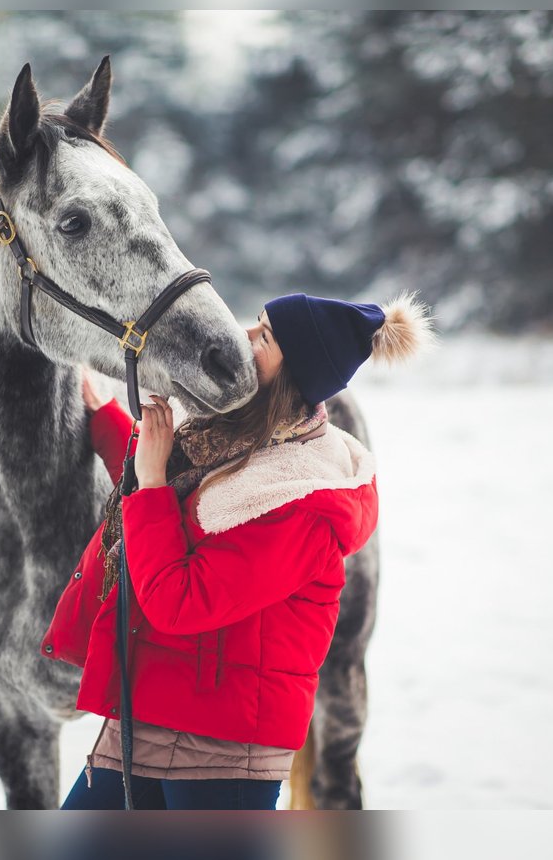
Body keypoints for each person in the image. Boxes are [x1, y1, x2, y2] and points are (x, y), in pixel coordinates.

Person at [41, 290, 437, 810]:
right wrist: (112, 424)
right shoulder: (238, 439)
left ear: (293, 373)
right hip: (152, 713)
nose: (241, 336)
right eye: (256, 322)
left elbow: (179, 599)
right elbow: (188, 511)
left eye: (265, 337)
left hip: (225, 752)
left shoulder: (302, 500)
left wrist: (154, 478)